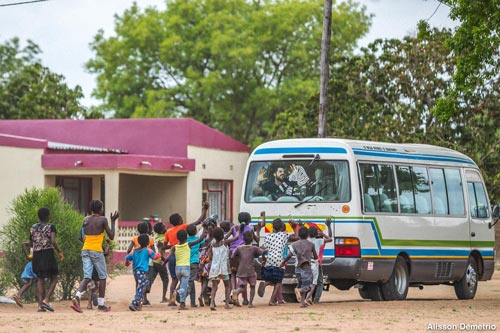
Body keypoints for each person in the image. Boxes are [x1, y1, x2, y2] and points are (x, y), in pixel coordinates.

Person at [71, 199, 119, 313]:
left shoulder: (85, 219)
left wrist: (88, 242)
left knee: (87, 276)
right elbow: (111, 236)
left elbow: (80, 236)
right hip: (96, 251)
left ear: (91, 209)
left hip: (85, 249)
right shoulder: (103, 219)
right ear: (100, 209)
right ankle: (101, 304)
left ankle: (77, 296)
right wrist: (112, 221)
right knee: (102, 277)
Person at [164, 201, 209, 306]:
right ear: (180, 220)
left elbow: (166, 245)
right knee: (187, 281)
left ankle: (172, 297)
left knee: (175, 279)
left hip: (174, 254)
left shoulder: (168, 231)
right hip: (184, 257)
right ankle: (181, 296)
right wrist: (204, 209)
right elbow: (199, 221)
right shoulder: (184, 227)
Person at [30, 207, 64, 312]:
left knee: (40, 279)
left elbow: (31, 243)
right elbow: (53, 241)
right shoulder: (51, 226)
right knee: (54, 277)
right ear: (48, 216)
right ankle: (46, 299)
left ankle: (40, 305)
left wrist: (31, 254)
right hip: (47, 253)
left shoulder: (33, 227)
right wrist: (59, 252)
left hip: (36, 254)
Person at [257, 216, 297, 305]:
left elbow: (262, 248)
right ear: (282, 227)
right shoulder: (284, 235)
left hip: (269, 259)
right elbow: (296, 237)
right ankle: (271, 300)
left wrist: (263, 258)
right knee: (278, 281)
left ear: (272, 227)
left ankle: (266, 283)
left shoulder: (268, 236)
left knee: (272, 278)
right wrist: (294, 227)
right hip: (279, 260)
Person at [163, 229, 206, 310]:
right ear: (186, 237)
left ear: (177, 238)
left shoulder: (174, 247)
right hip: (186, 268)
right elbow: (200, 240)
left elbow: (168, 258)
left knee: (184, 285)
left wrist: (163, 263)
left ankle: (177, 293)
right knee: (184, 286)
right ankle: (181, 302)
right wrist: (204, 230)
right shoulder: (188, 244)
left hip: (177, 269)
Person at [228, 212, 260, 305]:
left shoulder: (234, 228)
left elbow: (226, 238)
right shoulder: (250, 229)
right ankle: (245, 299)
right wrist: (258, 230)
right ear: (249, 220)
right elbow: (257, 240)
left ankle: (234, 291)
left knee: (234, 274)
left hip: (232, 253)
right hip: (244, 253)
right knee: (245, 275)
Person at [281, 226, 318, 308]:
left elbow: (289, 255)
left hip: (297, 267)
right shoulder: (311, 244)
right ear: (308, 235)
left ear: (299, 235)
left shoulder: (294, 244)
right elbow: (315, 256)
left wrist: (283, 262)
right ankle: (298, 290)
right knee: (307, 286)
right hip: (306, 267)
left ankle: (302, 303)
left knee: (302, 284)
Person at [125, 234, 161, 311]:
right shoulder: (148, 250)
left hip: (135, 272)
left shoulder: (134, 251)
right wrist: (160, 250)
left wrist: (127, 263)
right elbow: (155, 257)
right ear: (148, 242)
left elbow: (127, 257)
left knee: (141, 286)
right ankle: (134, 303)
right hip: (142, 272)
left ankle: (138, 304)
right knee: (142, 286)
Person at [231, 231, 265, 308]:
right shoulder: (254, 248)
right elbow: (261, 252)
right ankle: (250, 303)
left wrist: (238, 259)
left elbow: (232, 256)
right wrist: (264, 249)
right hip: (251, 271)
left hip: (241, 270)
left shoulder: (239, 248)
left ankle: (236, 291)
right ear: (252, 239)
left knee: (242, 287)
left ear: (243, 238)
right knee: (252, 286)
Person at [208, 227, 239, 310]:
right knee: (227, 286)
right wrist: (238, 230)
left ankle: (211, 303)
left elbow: (210, 257)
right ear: (222, 236)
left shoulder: (212, 245)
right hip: (223, 269)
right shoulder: (225, 242)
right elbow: (236, 238)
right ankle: (226, 304)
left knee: (214, 287)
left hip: (214, 269)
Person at [307, 218, 333, 304]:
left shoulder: (308, 241)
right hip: (317, 263)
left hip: (308, 263)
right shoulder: (320, 242)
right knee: (320, 282)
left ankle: (308, 297)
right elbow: (330, 238)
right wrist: (327, 229)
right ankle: (316, 300)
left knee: (310, 281)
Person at [147, 221, 169, 303]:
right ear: (161, 231)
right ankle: (164, 297)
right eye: (164, 227)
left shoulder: (155, 236)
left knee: (151, 278)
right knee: (165, 279)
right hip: (160, 261)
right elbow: (164, 247)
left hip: (153, 261)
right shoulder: (163, 238)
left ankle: (147, 288)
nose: (166, 227)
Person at [86, 238, 111, 310]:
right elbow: (105, 253)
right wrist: (108, 244)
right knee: (99, 285)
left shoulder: (89, 247)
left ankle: (89, 305)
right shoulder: (99, 247)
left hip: (90, 271)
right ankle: (96, 292)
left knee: (90, 287)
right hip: (98, 270)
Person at [12, 242, 37, 307]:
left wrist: (27, 256)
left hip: (31, 263)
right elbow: (23, 244)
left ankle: (18, 295)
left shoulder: (33, 242)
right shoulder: (38, 241)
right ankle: (43, 301)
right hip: (36, 264)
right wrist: (28, 256)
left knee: (30, 282)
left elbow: (23, 244)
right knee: (41, 281)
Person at [186, 223, 204, 307]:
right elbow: (204, 244)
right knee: (190, 281)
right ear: (195, 231)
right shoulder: (198, 239)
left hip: (185, 263)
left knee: (191, 282)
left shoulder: (185, 240)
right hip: (194, 263)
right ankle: (181, 295)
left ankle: (193, 303)